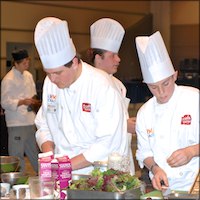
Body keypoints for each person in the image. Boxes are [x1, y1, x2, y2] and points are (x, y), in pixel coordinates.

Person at [34, 16, 130, 175]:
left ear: (74, 63)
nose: (52, 79)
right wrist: (48, 154)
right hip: (62, 170)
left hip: (96, 174)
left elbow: (108, 143)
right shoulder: (50, 83)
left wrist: (65, 165)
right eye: (48, 73)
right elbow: (44, 123)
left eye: (58, 73)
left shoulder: (101, 86)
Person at [135, 31, 199, 191]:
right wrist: (155, 169)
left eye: (165, 84)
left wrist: (191, 151)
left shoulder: (194, 99)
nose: (161, 92)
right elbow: (144, 153)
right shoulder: (145, 112)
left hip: (195, 184)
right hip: (164, 188)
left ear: (174, 75)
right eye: (154, 87)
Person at [88, 18, 135, 174]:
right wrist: (124, 126)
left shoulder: (118, 84)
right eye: (113, 55)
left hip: (121, 155)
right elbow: (86, 125)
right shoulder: (87, 84)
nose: (118, 59)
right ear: (98, 57)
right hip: (97, 162)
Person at [1, 49, 40, 173]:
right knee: (17, 154)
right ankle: (19, 180)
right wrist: (22, 102)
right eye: (24, 62)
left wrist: (34, 101)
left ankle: (43, 176)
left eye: (27, 61)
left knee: (34, 152)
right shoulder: (8, 79)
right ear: (16, 64)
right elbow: (5, 102)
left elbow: (33, 94)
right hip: (16, 122)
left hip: (30, 120)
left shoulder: (28, 75)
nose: (27, 64)